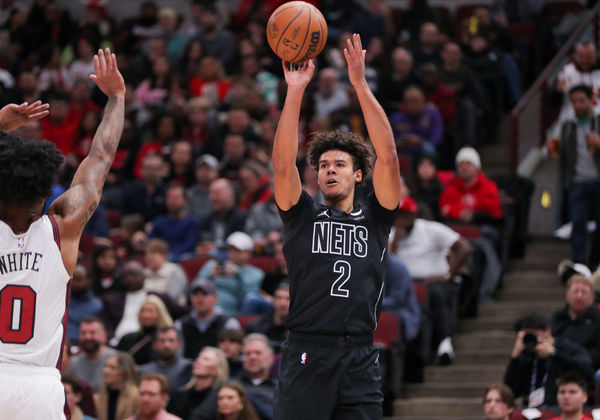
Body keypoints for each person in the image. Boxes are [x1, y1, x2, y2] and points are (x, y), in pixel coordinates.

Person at [272, 33, 402, 419]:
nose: (329, 169)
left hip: (361, 354)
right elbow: (282, 166)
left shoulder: (376, 218)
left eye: (339, 164)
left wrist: (360, 84)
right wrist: (295, 90)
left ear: (359, 175)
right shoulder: (302, 215)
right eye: (324, 164)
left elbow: (390, 157)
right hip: (308, 351)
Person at [0, 47, 124, 419]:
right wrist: (116, 97)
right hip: (39, 386)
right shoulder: (62, 227)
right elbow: (99, 161)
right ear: (44, 194)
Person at [390, 197, 471, 364]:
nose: (400, 220)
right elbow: (387, 265)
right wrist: (395, 243)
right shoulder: (389, 234)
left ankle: (444, 342)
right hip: (404, 284)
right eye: (397, 216)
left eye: (404, 215)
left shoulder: (430, 229)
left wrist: (448, 274)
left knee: (436, 293)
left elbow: (464, 248)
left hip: (433, 280)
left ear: (413, 215)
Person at [546, 84, 600, 270]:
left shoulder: (598, 120)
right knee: (578, 223)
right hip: (577, 181)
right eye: (574, 101)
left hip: (598, 180)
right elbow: (550, 152)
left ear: (591, 100)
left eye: (581, 101)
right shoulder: (566, 124)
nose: (577, 105)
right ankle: (579, 266)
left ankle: (595, 264)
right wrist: (551, 148)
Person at [503, 314, 593, 407]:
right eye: (527, 336)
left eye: (534, 335)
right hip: (532, 411)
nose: (531, 339)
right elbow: (510, 392)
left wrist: (554, 354)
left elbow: (586, 370)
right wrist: (515, 357)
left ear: (547, 331)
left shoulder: (566, 348)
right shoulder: (526, 355)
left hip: (560, 409)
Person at [195, 231, 264, 316]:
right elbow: (193, 289)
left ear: (249, 252)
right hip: (205, 312)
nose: (233, 254)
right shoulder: (212, 265)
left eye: (238, 250)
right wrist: (209, 275)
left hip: (231, 315)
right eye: (231, 250)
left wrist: (238, 276)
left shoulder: (256, 274)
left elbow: (246, 301)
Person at [175, 278, 240, 359]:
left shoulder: (229, 323)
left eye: (204, 294)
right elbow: (178, 356)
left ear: (215, 298)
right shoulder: (181, 324)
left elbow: (234, 355)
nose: (200, 299)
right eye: (195, 294)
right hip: (189, 368)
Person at [170, 346, 229, 420]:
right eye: (199, 357)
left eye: (206, 359)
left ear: (217, 370)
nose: (198, 361)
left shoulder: (219, 398)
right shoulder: (179, 394)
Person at [116, 294, 174, 365]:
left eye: (150, 311)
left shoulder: (169, 338)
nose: (146, 315)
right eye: (142, 311)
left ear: (160, 314)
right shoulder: (127, 339)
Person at [70, 316, 118, 392]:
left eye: (93, 332)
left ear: (104, 336)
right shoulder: (73, 362)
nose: (87, 337)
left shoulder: (117, 359)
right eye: (83, 333)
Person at [139, 326, 193, 392]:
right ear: (154, 345)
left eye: (171, 340)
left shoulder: (189, 367)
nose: (166, 345)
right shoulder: (144, 371)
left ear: (179, 345)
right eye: (162, 341)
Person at [246, 282, 290, 353]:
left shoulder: (298, 329)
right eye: (279, 298)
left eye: (288, 299)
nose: (283, 303)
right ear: (273, 300)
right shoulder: (255, 326)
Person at [95, 352, 139, 420]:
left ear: (124, 371)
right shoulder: (98, 397)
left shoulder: (136, 396)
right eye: (105, 366)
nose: (105, 371)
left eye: (112, 368)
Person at [143, 238, 188, 305]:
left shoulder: (175, 271)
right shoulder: (143, 273)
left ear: (164, 255)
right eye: (147, 254)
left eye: (153, 254)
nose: (149, 257)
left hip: (172, 311)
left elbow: (171, 298)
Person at [67, 263, 104, 344]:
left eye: (79, 279)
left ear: (89, 281)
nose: (75, 283)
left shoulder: (97, 306)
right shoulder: (62, 299)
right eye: (73, 279)